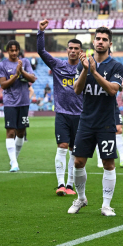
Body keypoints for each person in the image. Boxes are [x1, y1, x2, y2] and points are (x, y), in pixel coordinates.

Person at [68, 27, 123, 217]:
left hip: (106, 122)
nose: (100, 41)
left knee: (108, 164)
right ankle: (81, 198)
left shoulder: (116, 66)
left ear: (110, 44)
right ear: (93, 42)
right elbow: (77, 90)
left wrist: (94, 72)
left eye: (104, 39)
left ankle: (106, 205)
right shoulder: (82, 64)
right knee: (78, 162)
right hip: (86, 121)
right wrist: (85, 70)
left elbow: (112, 90)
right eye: (97, 39)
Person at [37, 20, 82, 196]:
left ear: (80, 52)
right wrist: (40, 32)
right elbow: (41, 51)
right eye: (70, 48)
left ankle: (70, 185)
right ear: (67, 50)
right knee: (62, 146)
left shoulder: (85, 68)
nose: (72, 51)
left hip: (80, 115)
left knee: (74, 150)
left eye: (76, 49)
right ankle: (60, 184)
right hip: (62, 113)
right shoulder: (58, 65)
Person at [0, 40, 36, 172]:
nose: (14, 53)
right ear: (7, 51)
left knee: (21, 132)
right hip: (10, 103)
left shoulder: (25, 62)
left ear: (19, 51)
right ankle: (14, 163)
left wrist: (22, 71)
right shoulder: (2, 65)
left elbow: (32, 78)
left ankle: (14, 159)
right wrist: (16, 75)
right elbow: (3, 85)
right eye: (11, 50)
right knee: (11, 131)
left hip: (24, 102)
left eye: (16, 50)